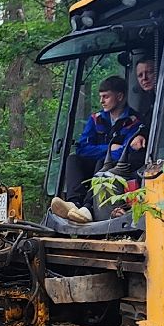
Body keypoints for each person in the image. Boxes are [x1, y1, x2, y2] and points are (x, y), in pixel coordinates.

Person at [51, 75, 145, 222]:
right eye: (101, 97)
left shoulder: (134, 122)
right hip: (98, 166)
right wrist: (109, 148)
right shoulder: (96, 119)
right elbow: (83, 149)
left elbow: (127, 152)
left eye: (106, 97)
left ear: (119, 96)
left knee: (102, 163)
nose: (101, 101)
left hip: (119, 173)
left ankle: (88, 208)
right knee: (73, 159)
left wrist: (106, 152)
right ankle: (74, 204)